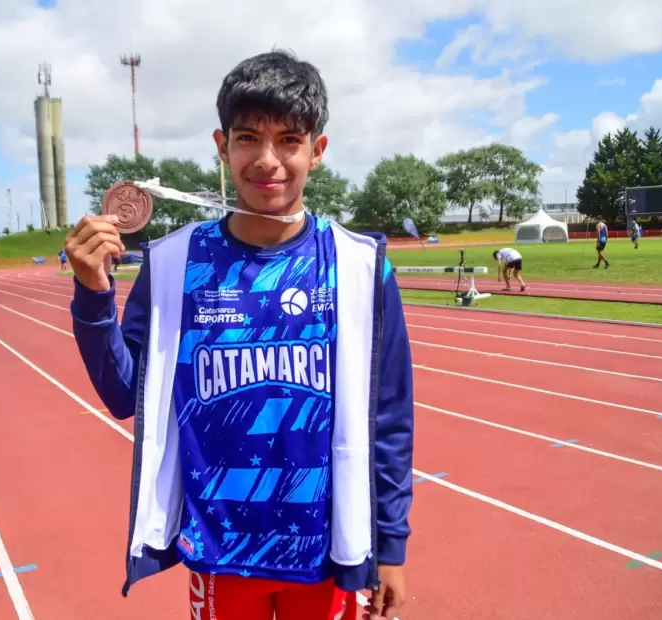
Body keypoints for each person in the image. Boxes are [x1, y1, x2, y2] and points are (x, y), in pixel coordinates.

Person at [67, 50, 413, 620]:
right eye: (248, 138)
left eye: (290, 140)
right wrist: (92, 293)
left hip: (326, 551)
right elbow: (124, 395)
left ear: (317, 151)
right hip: (220, 551)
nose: (268, 160)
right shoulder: (176, 261)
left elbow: (391, 418)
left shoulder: (358, 265)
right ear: (222, 146)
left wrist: (391, 546)